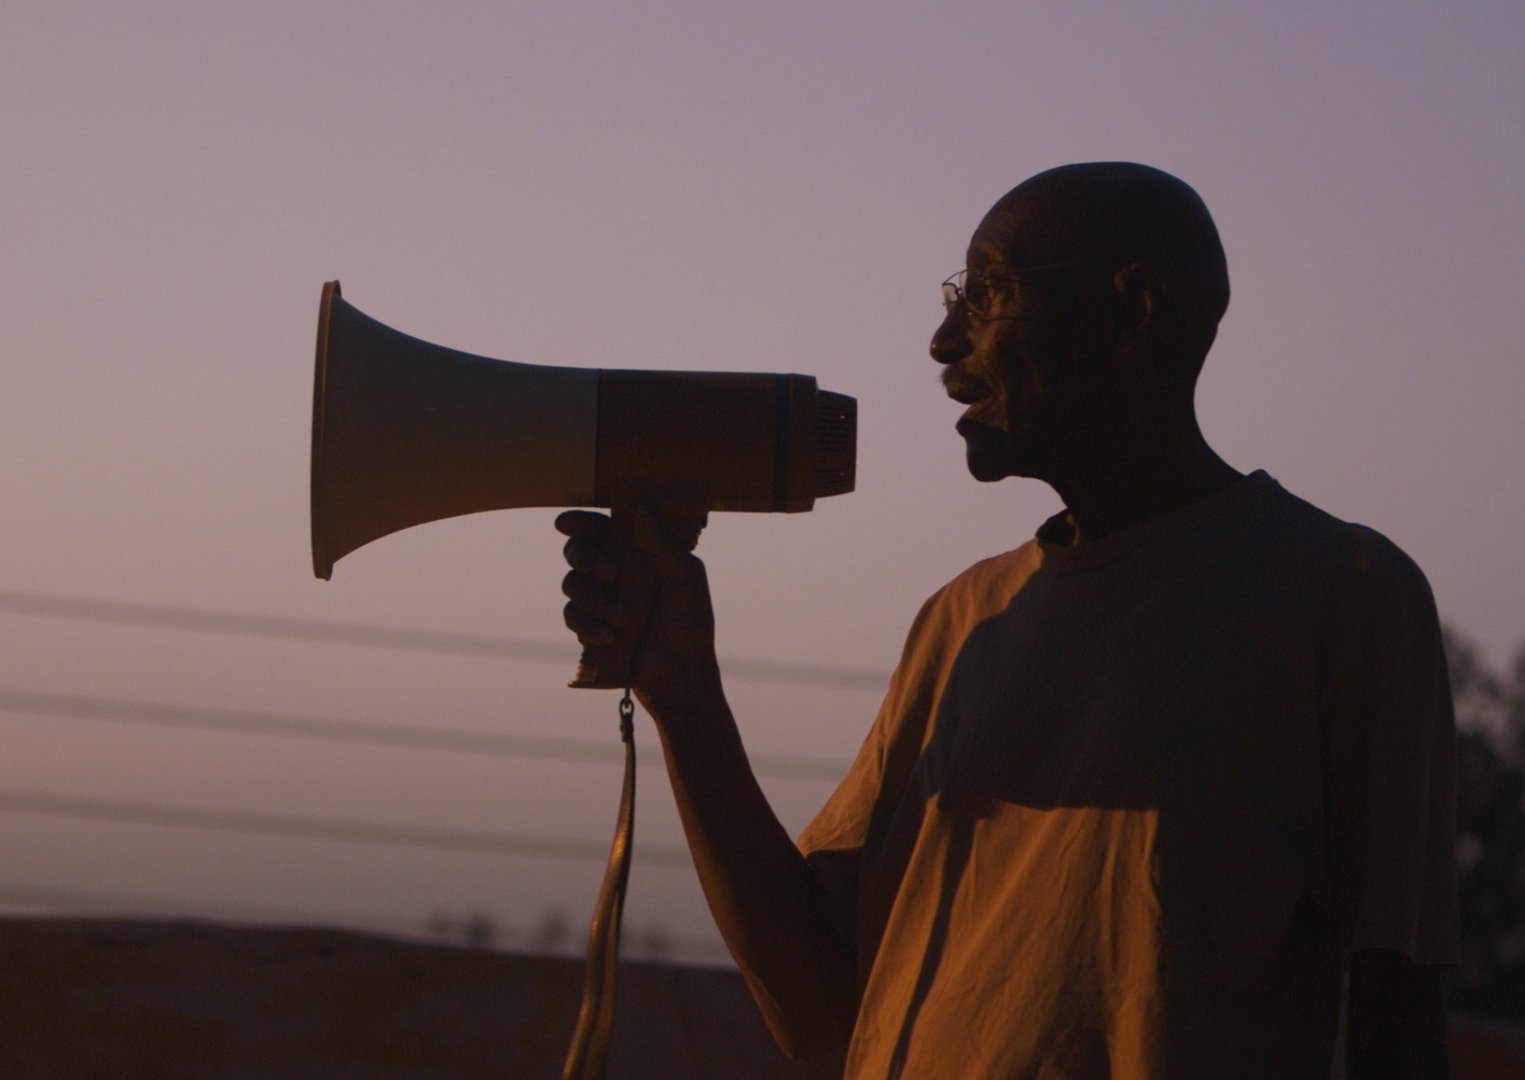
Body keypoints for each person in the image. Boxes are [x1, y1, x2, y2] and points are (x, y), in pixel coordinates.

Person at [558, 162, 1458, 1079]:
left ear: (1130, 310)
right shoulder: (962, 620)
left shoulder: (1340, 595)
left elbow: (1395, 1010)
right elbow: (826, 1012)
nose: (944, 341)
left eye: (989, 292)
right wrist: (682, 689)